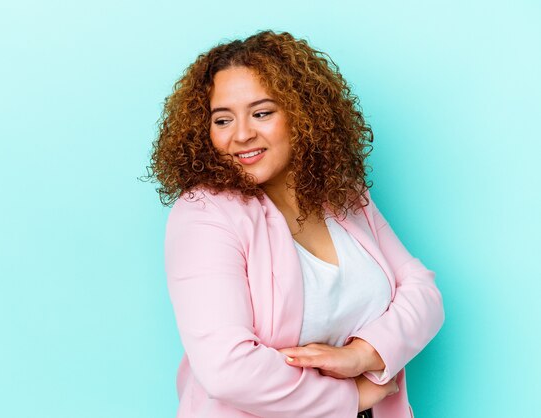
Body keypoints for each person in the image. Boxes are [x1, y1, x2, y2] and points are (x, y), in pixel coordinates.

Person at [146, 30, 444, 418]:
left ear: (302, 114)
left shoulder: (344, 194)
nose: (241, 134)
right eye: (222, 119)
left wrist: (363, 354)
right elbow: (227, 369)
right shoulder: (205, 213)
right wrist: (350, 397)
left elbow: (423, 293)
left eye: (262, 112)